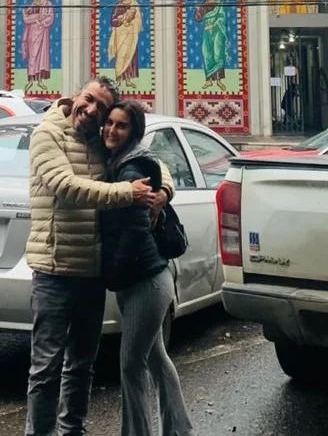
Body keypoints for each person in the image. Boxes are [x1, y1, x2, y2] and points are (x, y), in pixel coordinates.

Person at [25, 76, 168, 436]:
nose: (90, 111)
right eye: (88, 100)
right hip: (54, 269)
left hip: (91, 271)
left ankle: (73, 430)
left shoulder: (99, 141)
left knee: (81, 365)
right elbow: (66, 187)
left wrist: (163, 190)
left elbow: (151, 161)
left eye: (100, 109)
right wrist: (127, 193)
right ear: (75, 95)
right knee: (46, 368)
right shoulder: (48, 134)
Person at [100, 100, 195, 436]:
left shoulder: (129, 170)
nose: (111, 130)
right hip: (147, 280)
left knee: (131, 365)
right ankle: (179, 429)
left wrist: (113, 272)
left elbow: (135, 230)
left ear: (134, 132)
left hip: (145, 282)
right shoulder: (122, 160)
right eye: (108, 122)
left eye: (121, 125)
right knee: (156, 358)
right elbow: (160, 168)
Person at [193, 0, 227, 92]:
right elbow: (198, 18)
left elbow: (222, 16)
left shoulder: (220, 1)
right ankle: (208, 80)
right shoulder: (204, 2)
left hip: (217, 31)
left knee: (217, 53)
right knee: (206, 53)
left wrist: (215, 23)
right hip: (207, 31)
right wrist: (198, 10)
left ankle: (218, 80)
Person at [108, 0, 142, 90]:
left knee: (131, 58)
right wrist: (121, 19)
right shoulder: (118, 5)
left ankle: (128, 80)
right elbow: (112, 21)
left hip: (131, 35)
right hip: (121, 35)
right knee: (121, 57)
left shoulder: (134, 4)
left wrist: (132, 22)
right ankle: (118, 79)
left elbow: (138, 19)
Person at [22, 0, 55, 93]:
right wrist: (35, 17)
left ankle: (40, 80)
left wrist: (42, 22)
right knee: (32, 56)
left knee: (41, 57)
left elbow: (50, 17)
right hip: (32, 33)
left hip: (42, 33)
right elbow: (26, 18)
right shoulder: (32, 5)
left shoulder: (47, 4)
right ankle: (31, 80)